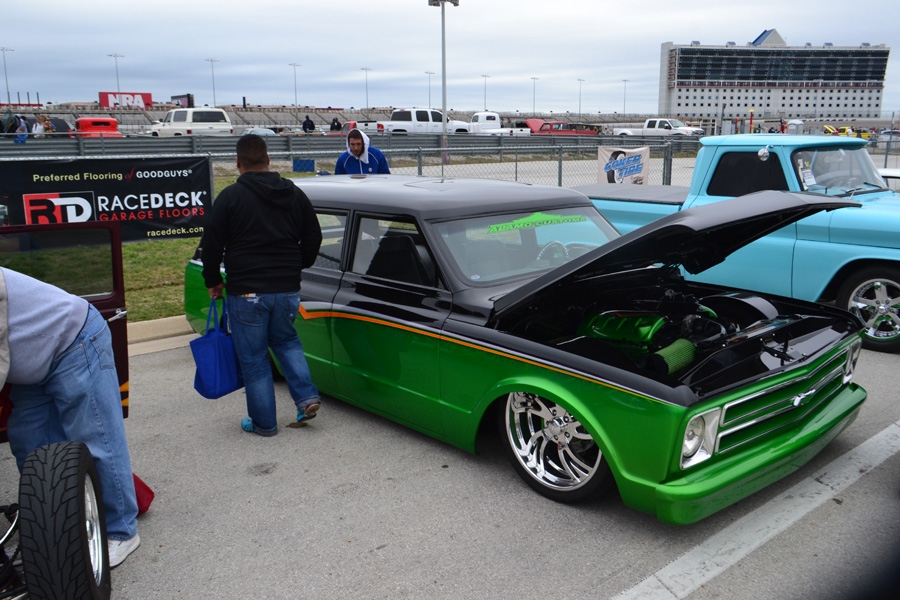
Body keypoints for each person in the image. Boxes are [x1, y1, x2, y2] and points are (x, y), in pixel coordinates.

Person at [0, 267, 140, 567]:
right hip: (33, 363)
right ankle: (56, 526)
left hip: (74, 340)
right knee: (30, 446)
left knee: (98, 442)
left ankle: (121, 531)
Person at [200, 134, 323, 437]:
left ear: (237, 163)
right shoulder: (294, 193)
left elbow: (211, 244)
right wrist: (296, 265)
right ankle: (306, 398)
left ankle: (264, 423)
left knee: (254, 358)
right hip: (286, 288)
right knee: (287, 341)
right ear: (268, 160)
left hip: (247, 291)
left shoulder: (230, 197)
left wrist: (213, 281)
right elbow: (313, 235)